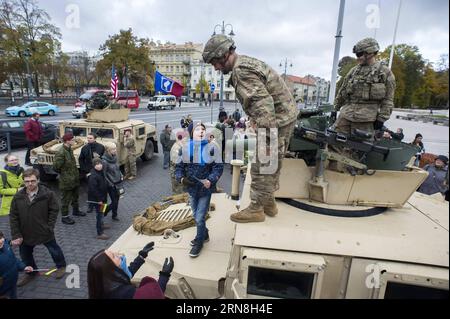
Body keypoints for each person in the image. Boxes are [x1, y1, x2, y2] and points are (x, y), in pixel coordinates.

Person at [203, 34, 298, 223]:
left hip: (275, 121)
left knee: (261, 163)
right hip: (285, 117)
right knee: (273, 163)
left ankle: (256, 208)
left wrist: (267, 141)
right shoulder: (246, 63)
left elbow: (264, 107)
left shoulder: (241, 71)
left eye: (215, 62)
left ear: (223, 54)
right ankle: (268, 202)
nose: (215, 67)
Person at [9, 168, 67, 287]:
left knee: (54, 250)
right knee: (25, 255)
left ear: (38, 180)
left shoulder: (48, 194)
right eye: (27, 181)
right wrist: (16, 234)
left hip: (44, 231)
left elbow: (54, 209)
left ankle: (61, 266)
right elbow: (13, 216)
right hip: (25, 232)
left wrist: (49, 226)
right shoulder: (18, 196)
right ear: (23, 181)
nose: (30, 184)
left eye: (33, 181)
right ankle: (31, 272)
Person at [176, 122, 224, 257]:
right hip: (191, 189)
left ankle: (199, 242)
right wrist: (181, 179)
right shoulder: (185, 149)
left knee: (199, 218)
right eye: (197, 129)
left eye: (203, 129)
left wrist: (211, 180)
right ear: (192, 133)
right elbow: (178, 168)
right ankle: (205, 234)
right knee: (196, 215)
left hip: (205, 189)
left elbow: (218, 167)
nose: (201, 131)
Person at [333, 38, 396, 141]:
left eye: (359, 54)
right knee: (334, 144)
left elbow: (388, 99)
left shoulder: (384, 73)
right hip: (345, 117)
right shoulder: (353, 71)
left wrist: (381, 119)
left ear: (370, 53)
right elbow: (342, 91)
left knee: (359, 152)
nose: (357, 58)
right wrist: (335, 109)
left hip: (366, 121)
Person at [87, 242, 174, 299]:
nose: (118, 255)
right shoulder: (126, 292)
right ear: (109, 268)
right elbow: (155, 294)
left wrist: (141, 256)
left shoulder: (102, 285)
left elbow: (126, 275)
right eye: (113, 256)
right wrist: (165, 275)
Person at [54, 133, 85, 225]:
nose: (74, 141)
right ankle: (65, 217)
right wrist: (65, 174)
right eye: (72, 139)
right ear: (67, 141)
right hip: (66, 180)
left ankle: (76, 211)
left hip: (74, 178)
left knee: (75, 196)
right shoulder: (61, 152)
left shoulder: (69, 149)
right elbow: (56, 167)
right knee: (65, 199)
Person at [0, 231, 33, 299]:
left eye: (1, 237)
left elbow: (14, 260)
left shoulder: (5, 245)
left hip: (12, 283)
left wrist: (24, 267)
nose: (2, 240)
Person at [88, 158, 110, 240]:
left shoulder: (100, 172)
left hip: (103, 198)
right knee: (99, 215)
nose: (99, 165)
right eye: (97, 164)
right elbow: (93, 189)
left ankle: (102, 224)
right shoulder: (93, 176)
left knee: (102, 212)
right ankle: (99, 233)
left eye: (100, 163)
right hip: (98, 200)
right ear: (94, 166)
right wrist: (99, 200)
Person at [102, 142, 123, 222]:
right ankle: (106, 210)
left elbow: (117, 168)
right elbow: (104, 175)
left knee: (117, 200)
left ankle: (114, 215)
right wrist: (110, 184)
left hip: (118, 182)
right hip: (111, 185)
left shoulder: (115, 157)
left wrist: (121, 174)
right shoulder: (104, 161)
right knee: (114, 201)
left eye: (115, 148)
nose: (115, 150)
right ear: (108, 150)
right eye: (113, 149)